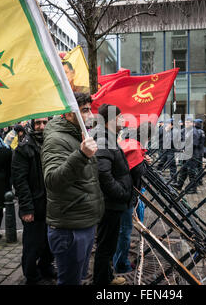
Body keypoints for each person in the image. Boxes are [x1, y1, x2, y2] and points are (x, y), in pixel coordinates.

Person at [41, 93, 104, 285]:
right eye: (84, 111)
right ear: (69, 114)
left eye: (89, 109)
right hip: (69, 229)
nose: (90, 115)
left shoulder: (78, 135)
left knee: (78, 278)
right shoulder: (56, 140)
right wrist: (81, 155)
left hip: (84, 222)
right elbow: (52, 180)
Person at [92, 104, 133, 285]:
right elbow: (103, 175)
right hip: (110, 203)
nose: (123, 120)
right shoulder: (103, 137)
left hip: (113, 202)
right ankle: (101, 282)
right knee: (105, 245)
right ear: (111, 120)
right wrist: (122, 193)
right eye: (120, 117)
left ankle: (106, 277)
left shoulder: (108, 136)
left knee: (108, 244)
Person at [12, 118, 56, 285]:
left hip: (50, 204)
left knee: (48, 241)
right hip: (34, 205)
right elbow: (20, 182)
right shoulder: (23, 148)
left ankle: (46, 267)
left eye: (44, 123)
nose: (41, 127)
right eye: (38, 123)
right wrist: (26, 209)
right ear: (32, 125)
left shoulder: (50, 144)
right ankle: (31, 276)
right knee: (33, 245)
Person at [113, 123, 152, 274]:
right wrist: (145, 162)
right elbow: (138, 172)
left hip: (119, 195)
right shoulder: (135, 148)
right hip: (125, 196)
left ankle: (117, 260)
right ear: (147, 137)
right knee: (124, 232)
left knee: (120, 231)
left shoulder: (127, 143)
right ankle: (121, 265)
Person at [173, 117, 200, 194]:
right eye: (186, 122)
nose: (186, 124)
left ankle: (193, 188)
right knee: (183, 170)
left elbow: (194, 144)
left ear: (192, 123)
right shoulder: (188, 131)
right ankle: (179, 184)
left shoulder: (194, 132)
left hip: (192, 155)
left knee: (192, 173)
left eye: (188, 122)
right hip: (187, 155)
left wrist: (184, 148)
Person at [157, 119, 179, 183]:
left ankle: (174, 180)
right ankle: (159, 173)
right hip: (167, 150)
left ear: (172, 124)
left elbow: (172, 141)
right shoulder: (170, 130)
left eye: (168, 124)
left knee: (172, 165)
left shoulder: (175, 131)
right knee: (162, 162)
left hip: (171, 150)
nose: (166, 125)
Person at [193, 119, 206, 185]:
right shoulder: (202, 131)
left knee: (195, 167)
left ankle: (197, 181)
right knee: (199, 167)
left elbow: (196, 143)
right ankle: (200, 180)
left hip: (196, 152)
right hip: (200, 152)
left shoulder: (196, 131)